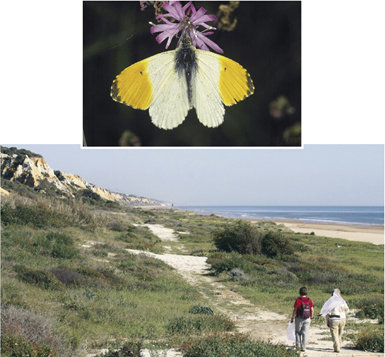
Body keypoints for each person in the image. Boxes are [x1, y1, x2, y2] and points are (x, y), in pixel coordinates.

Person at [320, 288, 349, 353]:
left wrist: (327, 320)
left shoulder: (331, 301)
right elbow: (347, 310)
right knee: (340, 334)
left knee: (334, 334)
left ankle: (337, 347)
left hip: (334, 318)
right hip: (342, 318)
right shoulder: (342, 301)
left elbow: (327, 312)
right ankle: (338, 345)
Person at [290, 286, 314, 352]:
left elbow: (295, 310)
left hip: (299, 318)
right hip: (307, 318)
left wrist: (292, 317)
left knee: (297, 332)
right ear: (306, 293)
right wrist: (311, 317)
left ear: (300, 293)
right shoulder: (309, 300)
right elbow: (312, 309)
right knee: (305, 333)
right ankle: (304, 347)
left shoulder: (298, 300)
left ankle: (298, 346)